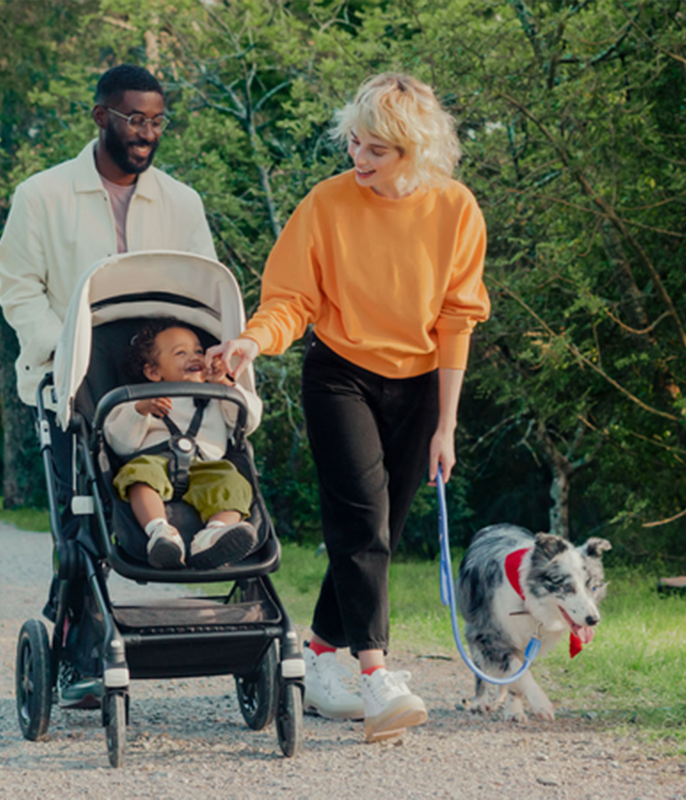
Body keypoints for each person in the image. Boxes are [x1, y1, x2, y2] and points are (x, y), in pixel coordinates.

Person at [209, 73, 490, 743]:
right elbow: (291, 300)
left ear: (415, 152)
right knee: (361, 519)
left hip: (421, 385)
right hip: (341, 374)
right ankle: (376, 677)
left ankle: (323, 654)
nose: (358, 162)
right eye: (354, 145)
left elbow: (458, 318)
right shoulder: (328, 204)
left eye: (375, 151)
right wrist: (253, 339)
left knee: (380, 528)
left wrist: (446, 426)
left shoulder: (455, 209)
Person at [0, 63, 217, 411]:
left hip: (163, 382)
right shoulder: (40, 195)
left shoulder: (183, 202)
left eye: (157, 122)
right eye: (135, 119)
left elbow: (204, 292)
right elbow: (18, 288)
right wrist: (63, 350)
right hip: (72, 378)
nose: (148, 133)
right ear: (100, 116)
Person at [104, 318, 262, 569]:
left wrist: (225, 384)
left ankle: (214, 534)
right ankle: (161, 533)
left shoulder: (218, 397)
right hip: (157, 461)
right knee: (136, 475)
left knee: (234, 483)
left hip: (206, 466)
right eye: (181, 352)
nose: (195, 356)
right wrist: (141, 411)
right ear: (154, 372)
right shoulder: (140, 399)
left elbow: (249, 421)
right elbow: (120, 443)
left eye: (199, 351)